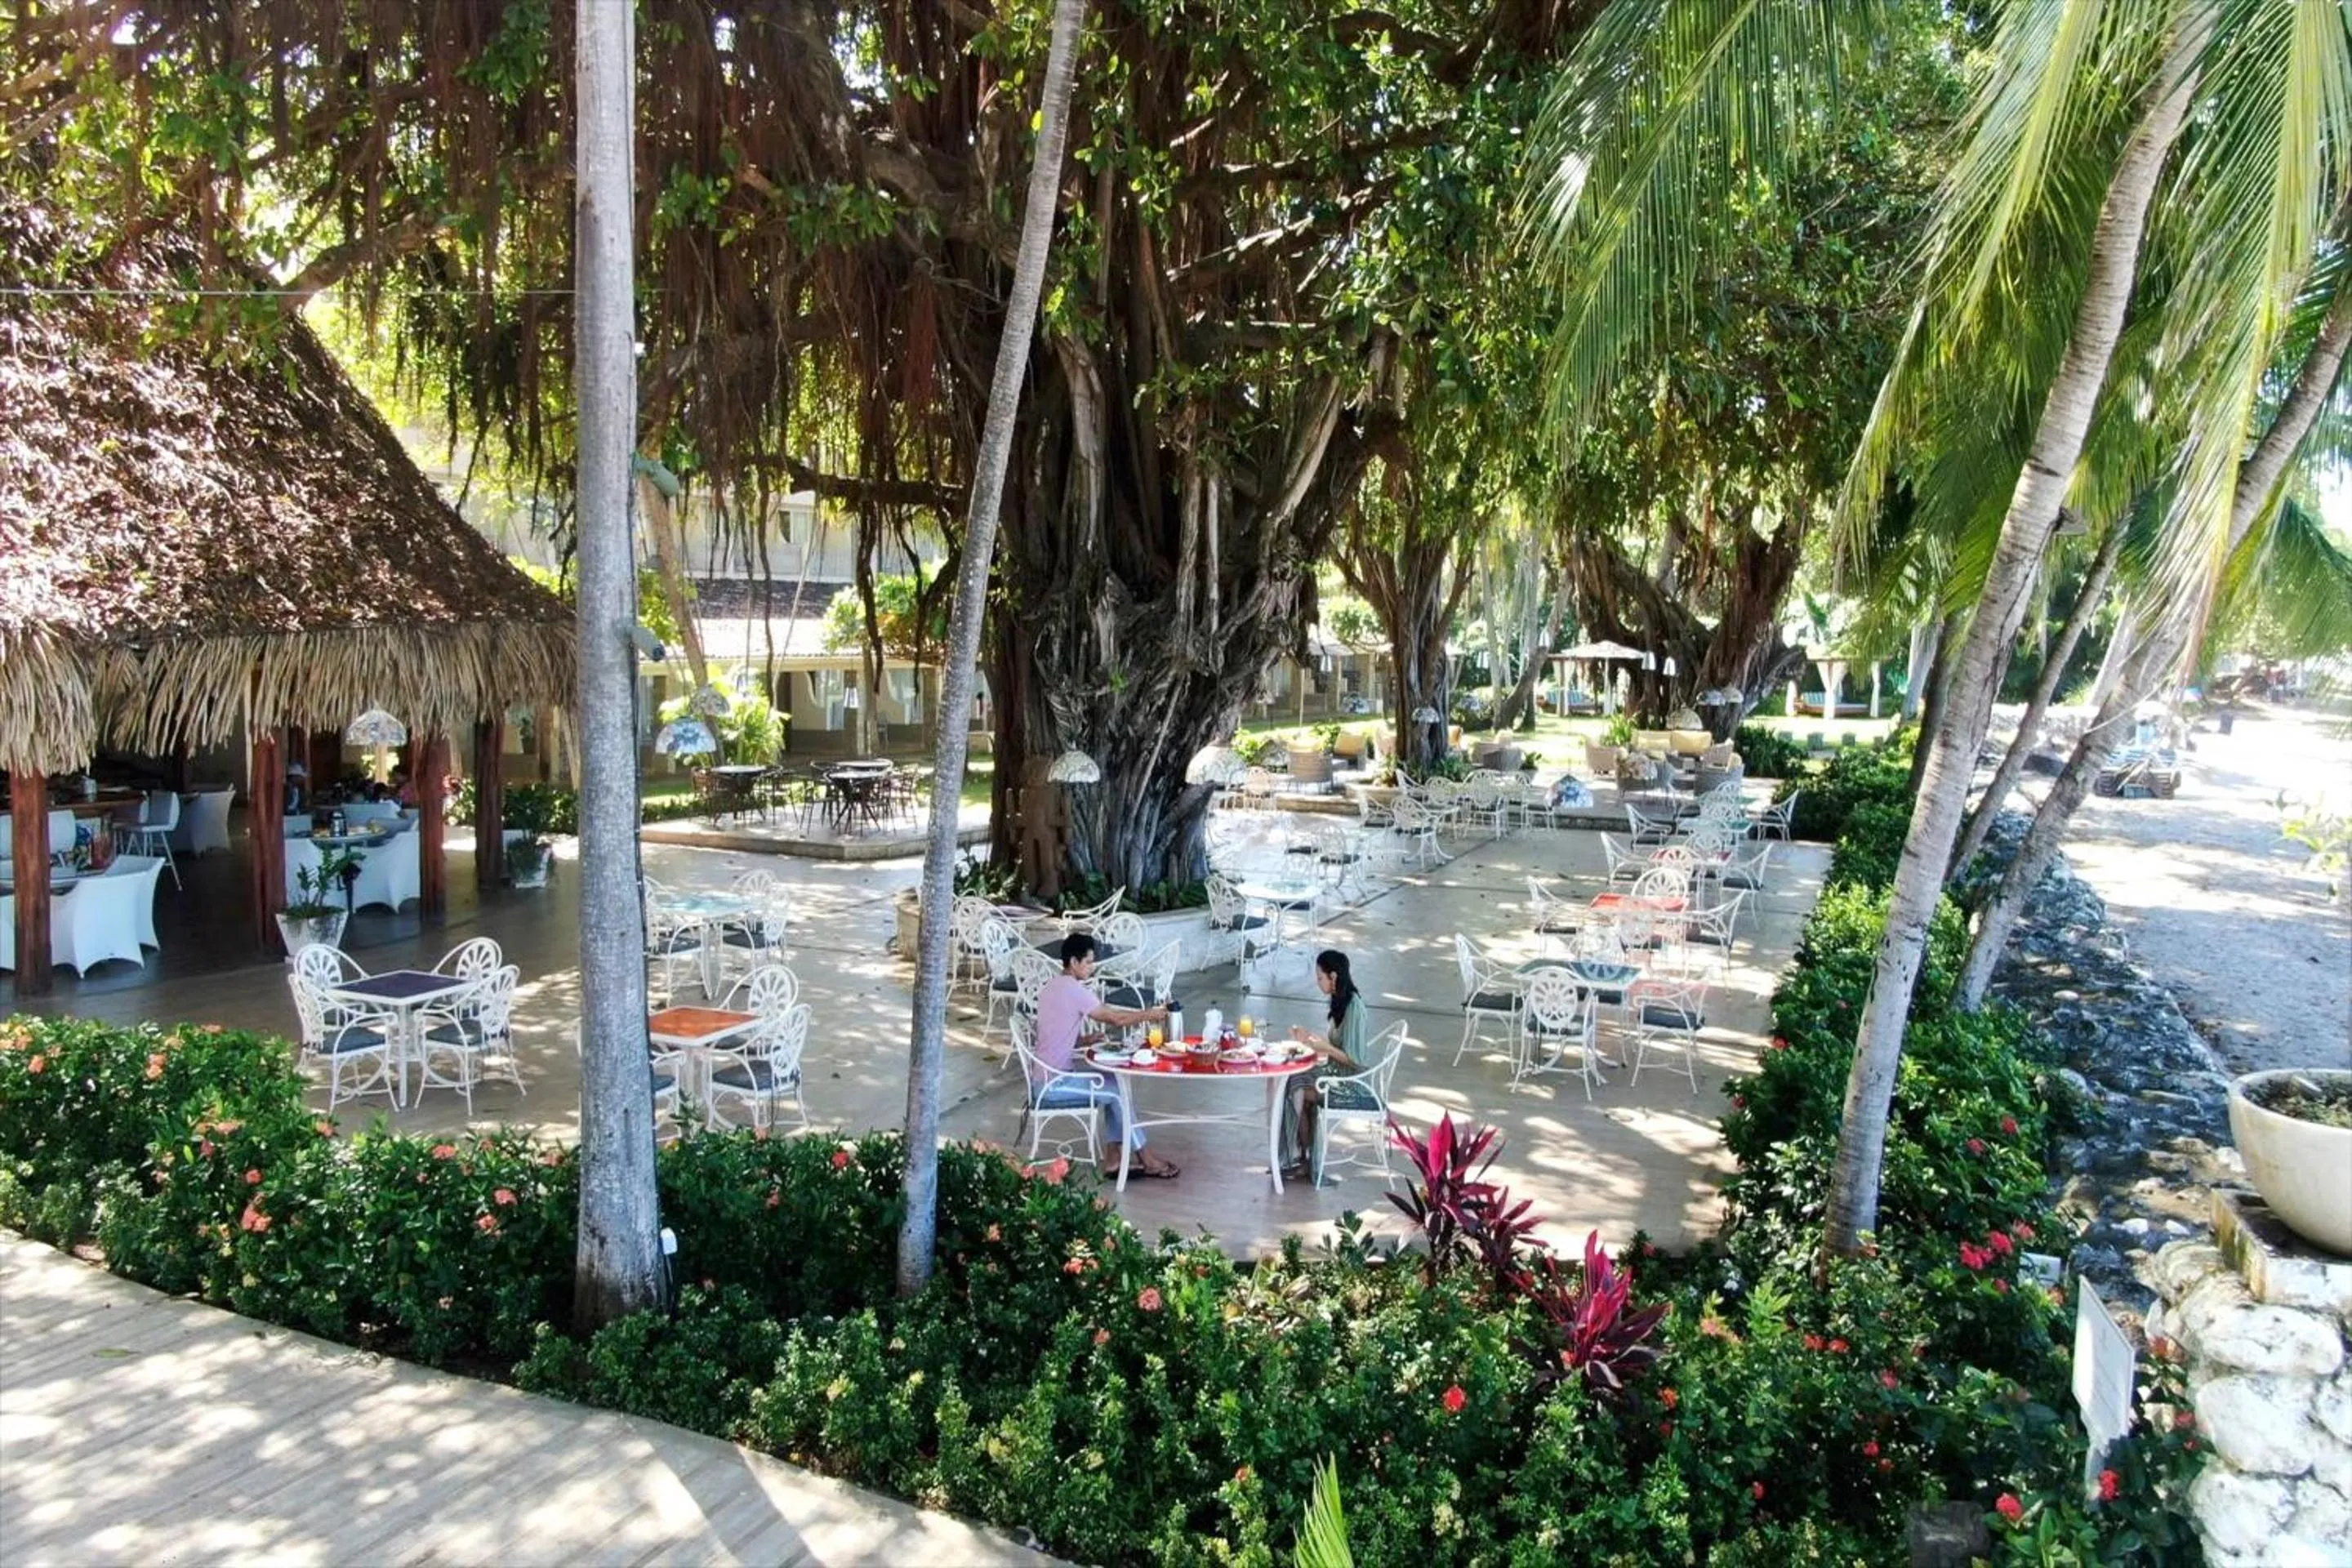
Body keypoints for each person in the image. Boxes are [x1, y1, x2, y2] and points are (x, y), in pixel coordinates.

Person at [1031, 933, 1179, 1178]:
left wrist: (1084, 1040)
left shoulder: (1051, 987)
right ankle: (1147, 1158)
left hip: (1044, 1077)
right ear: (1073, 962)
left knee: (1113, 1082)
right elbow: (1115, 1019)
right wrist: (1150, 1014)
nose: (1091, 967)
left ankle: (1113, 1158)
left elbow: (1052, 1032)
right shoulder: (1074, 990)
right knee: (1116, 1093)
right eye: (1088, 962)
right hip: (1053, 1084)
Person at [1283, 949, 1370, 1180]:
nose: (1317, 982)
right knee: (1293, 1079)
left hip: (1350, 1083)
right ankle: (1303, 1156)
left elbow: (1356, 1061)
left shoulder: (1354, 1009)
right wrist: (1311, 1039)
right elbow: (1334, 1045)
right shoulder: (1340, 1001)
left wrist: (1326, 1048)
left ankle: (1306, 1160)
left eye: (1320, 977)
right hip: (1335, 1073)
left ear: (1333, 977)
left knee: (1296, 1091)